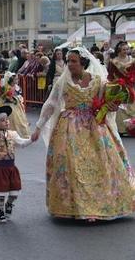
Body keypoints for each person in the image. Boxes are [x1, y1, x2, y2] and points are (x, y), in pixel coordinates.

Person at [31, 47, 135, 221]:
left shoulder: (97, 81)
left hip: (94, 126)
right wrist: (38, 127)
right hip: (69, 128)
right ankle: (78, 206)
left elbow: (107, 101)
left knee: (100, 164)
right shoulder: (63, 82)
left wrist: (112, 106)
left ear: (83, 63)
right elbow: (51, 105)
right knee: (72, 166)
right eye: (68, 61)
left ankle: (100, 204)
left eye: (73, 61)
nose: (70, 64)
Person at [0, 106, 32, 223]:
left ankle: (9, 204)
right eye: (3, 120)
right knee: (1, 192)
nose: (6, 122)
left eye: (7, 119)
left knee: (14, 191)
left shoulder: (12, 134)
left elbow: (22, 143)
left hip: (11, 167)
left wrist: (31, 139)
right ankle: (0, 212)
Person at [107, 41, 135, 135]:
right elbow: (110, 75)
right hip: (119, 87)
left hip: (131, 86)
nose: (126, 51)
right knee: (120, 108)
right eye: (124, 49)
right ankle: (122, 129)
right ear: (119, 50)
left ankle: (132, 128)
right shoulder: (114, 62)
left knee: (132, 106)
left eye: (127, 49)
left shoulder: (132, 60)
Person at [0, 72, 30, 138]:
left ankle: (20, 134)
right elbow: (4, 97)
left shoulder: (16, 87)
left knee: (20, 119)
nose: (17, 80)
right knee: (12, 119)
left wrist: (18, 99)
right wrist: (10, 98)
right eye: (15, 79)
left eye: (17, 79)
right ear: (11, 80)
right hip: (9, 105)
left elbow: (18, 94)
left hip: (16, 104)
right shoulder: (6, 87)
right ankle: (9, 134)